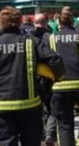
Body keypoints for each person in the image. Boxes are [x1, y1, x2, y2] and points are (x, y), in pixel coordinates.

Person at [0, 6, 65, 146]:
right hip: (29, 104)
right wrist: (57, 80)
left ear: (0, 23)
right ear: (19, 22)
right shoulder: (31, 42)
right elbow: (55, 60)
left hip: (2, 105)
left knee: (7, 143)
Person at [48, 12, 79, 146]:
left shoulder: (51, 38)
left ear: (58, 24)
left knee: (64, 123)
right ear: (73, 23)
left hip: (59, 86)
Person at [31, 13, 57, 145]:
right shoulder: (50, 37)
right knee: (51, 107)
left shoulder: (27, 37)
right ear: (46, 22)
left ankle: (40, 133)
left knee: (36, 107)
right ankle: (50, 134)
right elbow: (54, 57)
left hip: (32, 77)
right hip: (48, 77)